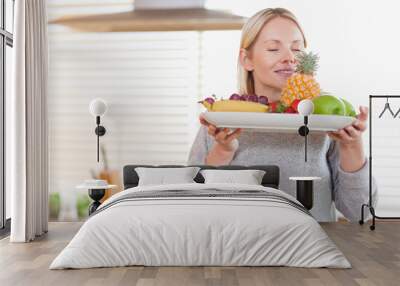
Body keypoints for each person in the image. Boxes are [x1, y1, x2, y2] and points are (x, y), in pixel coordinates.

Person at [187, 7, 378, 222]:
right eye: (273, 49)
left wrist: (352, 146)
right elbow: (195, 205)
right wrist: (222, 151)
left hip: (310, 251)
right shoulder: (219, 124)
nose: (289, 58)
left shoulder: (326, 124)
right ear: (246, 59)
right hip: (239, 251)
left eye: (297, 49)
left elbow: (360, 212)